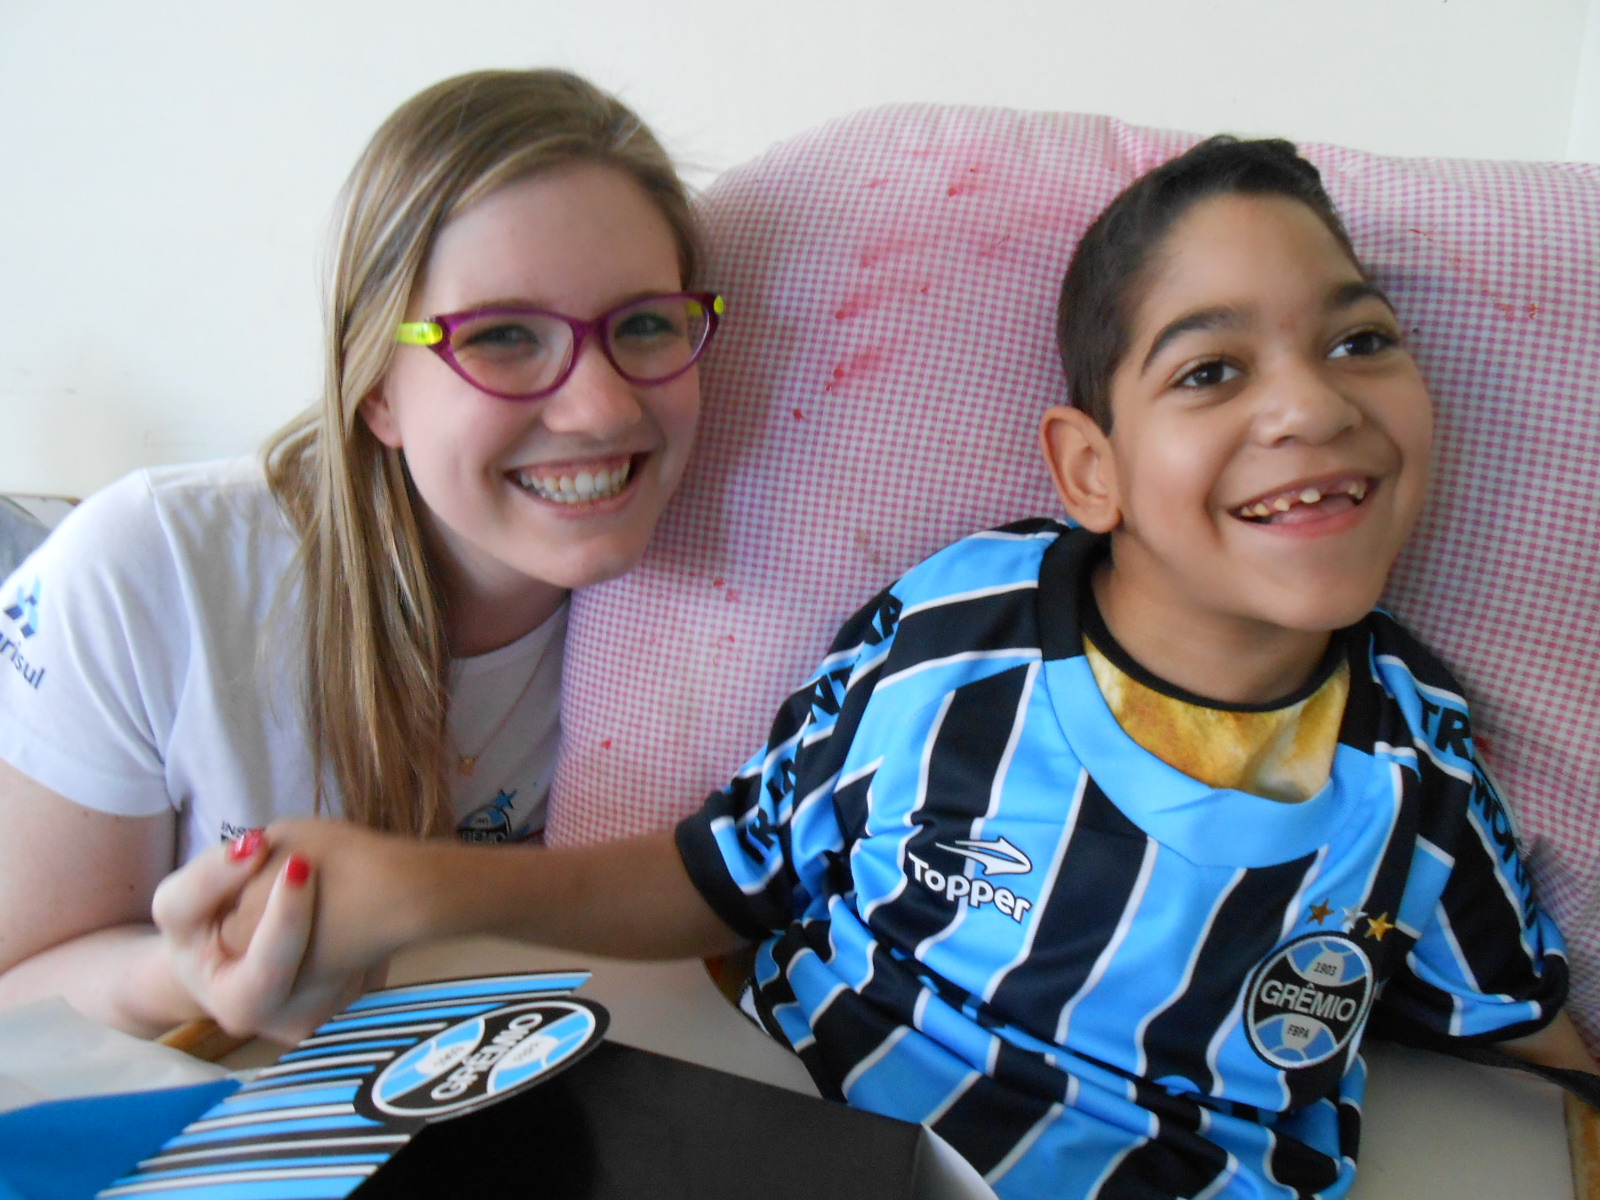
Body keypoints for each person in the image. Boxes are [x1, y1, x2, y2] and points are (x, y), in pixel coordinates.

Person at [163, 136, 1595, 1198]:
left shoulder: (1413, 767)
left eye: (1361, 340)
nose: (1310, 406)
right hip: (791, 1127)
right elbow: (726, 868)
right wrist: (418, 883)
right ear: (1087, 467)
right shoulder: (953, 638)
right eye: (1210, 370)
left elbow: (1519, 1022)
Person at [0, 68, 720, 1043]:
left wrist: (435, 891)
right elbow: (19, 991)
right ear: (375, 387)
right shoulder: (152, 569)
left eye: (643, 325)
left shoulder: (743, 606)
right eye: (503, 336)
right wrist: (191, 974)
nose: (599, 407)